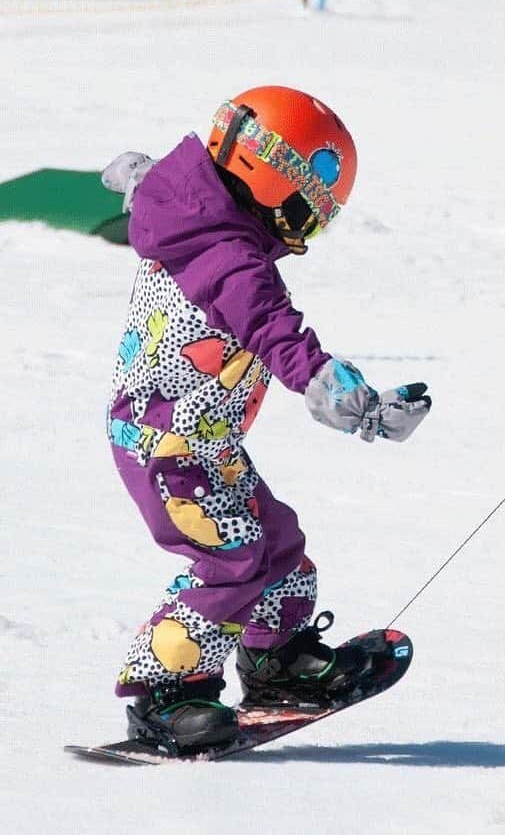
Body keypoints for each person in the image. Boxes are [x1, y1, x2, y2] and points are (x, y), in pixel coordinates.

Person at [101, 86, 432, 752]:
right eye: (309, 214)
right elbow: (271, 327)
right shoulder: (227, 256)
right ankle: (163, 696)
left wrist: (139, 177)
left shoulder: (194, 214)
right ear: (274, 181)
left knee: (276, 544)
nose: (304, 234)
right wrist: (353, 403)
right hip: (169, 444)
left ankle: (276, 659)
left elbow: (158, 191)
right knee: (232, 561)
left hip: (201, 437)